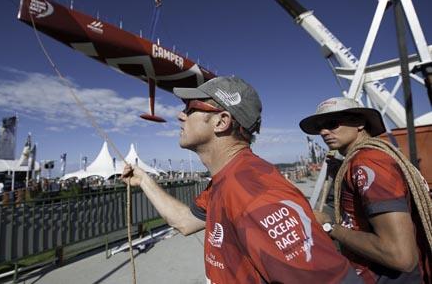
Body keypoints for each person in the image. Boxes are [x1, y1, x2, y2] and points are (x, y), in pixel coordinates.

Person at [123, 76, 362, 283]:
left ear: (221, 121)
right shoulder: (225, 180)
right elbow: (185, 222)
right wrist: (144, 180)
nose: (180, 115)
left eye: (190, 108)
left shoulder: (253, 189)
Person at [299, 96, 432, 283]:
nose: (323, 132)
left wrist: (329, 227)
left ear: (359, 123)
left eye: (331, 123)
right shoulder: (366, 160)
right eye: (320, 127)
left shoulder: (368, 163)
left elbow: (400, 256)